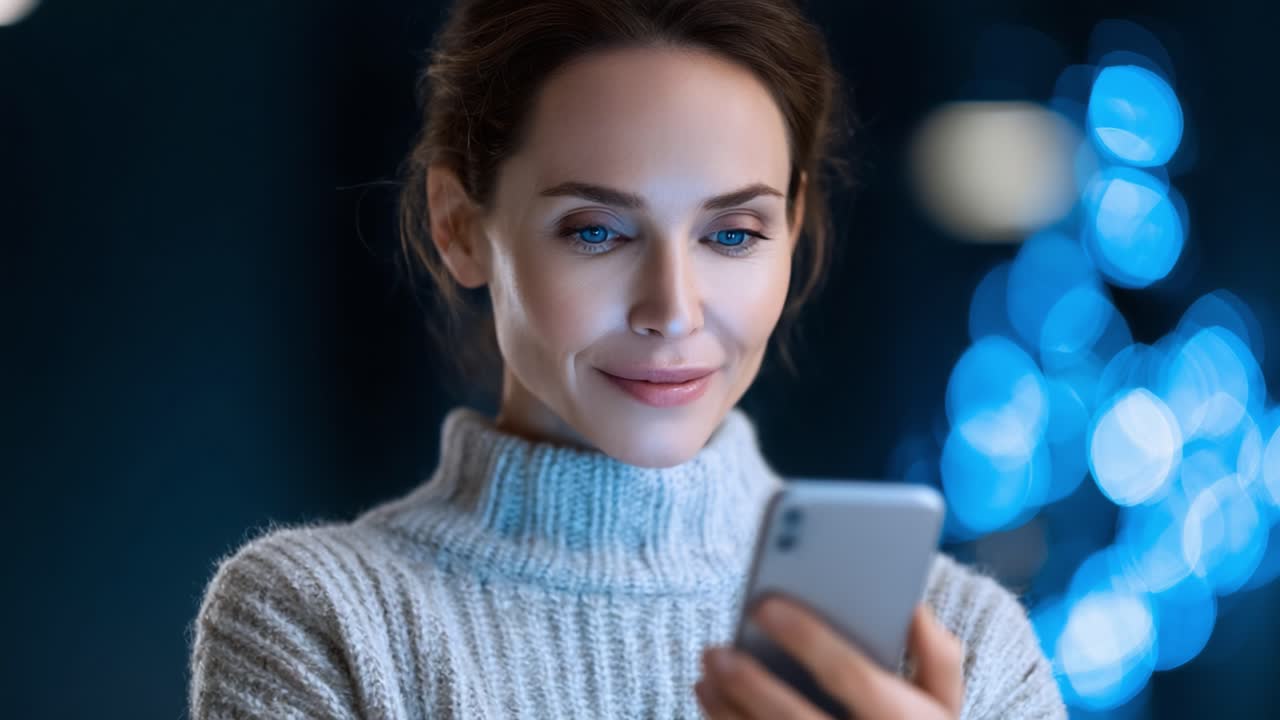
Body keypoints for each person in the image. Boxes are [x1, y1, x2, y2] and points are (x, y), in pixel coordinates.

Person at [187, 0, 1068, 717]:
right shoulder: (317, 621)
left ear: (793, 233)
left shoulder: (960, 643)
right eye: (597, 231)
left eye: (732, 233)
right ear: (460, 226)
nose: (673, 310)